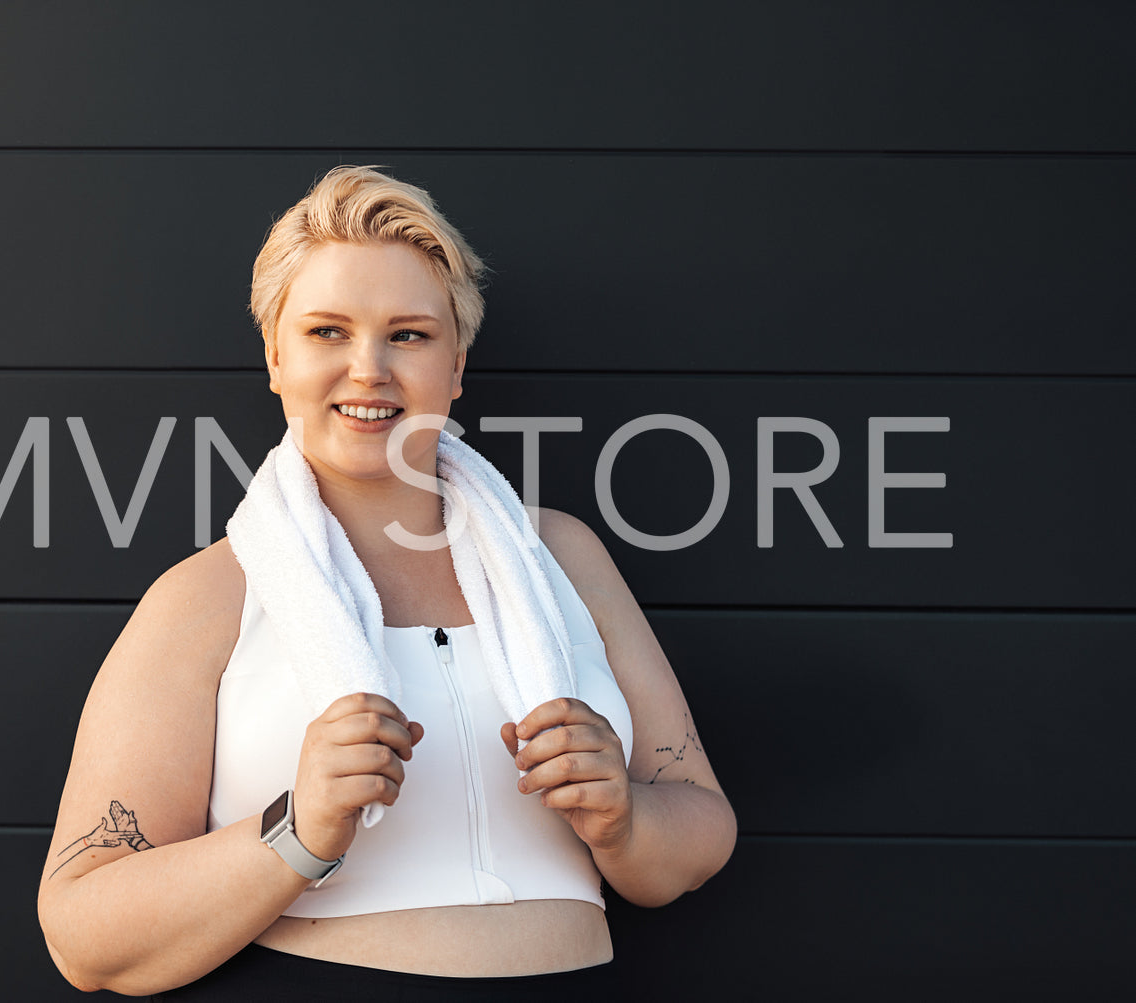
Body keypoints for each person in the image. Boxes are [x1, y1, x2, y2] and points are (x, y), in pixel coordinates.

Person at [37, 166, 736, 999]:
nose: (367, 369)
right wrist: (298, 828)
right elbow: (85, 937)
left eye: (407, 334)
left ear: (456, 363)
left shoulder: (563, 556)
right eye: (327, 331)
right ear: (274, 356)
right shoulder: (207, 596)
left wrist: (621, 815)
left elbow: (698, 831)